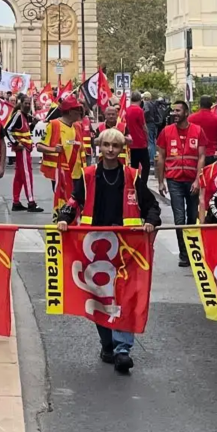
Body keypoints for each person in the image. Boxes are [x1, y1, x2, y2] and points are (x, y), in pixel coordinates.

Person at [55, 128, 159, 374]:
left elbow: (151, 206)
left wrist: (151, 221)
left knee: (125, 296)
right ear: (99, 147)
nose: (111, 150)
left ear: (122, 149)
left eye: (116, 146)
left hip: (127, 250)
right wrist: (64, 218)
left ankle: (123, 350)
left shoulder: (133, 176)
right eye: (106, 145)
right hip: (95, 249)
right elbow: (74, 202)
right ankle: (108, 344)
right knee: (100, 298)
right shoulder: (89, 175)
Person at [156, 100, 206, 268]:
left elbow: (201, 157)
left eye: (178, 110)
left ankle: (192, 251)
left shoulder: (198, 131)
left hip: (192, 181)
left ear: (186, 113)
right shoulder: (166, 131)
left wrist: (198, 180)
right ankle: (184, 254)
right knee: (179, 218)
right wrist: (161, 182)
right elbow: (161, 157)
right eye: (173, 110)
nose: (174, 113)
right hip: (174, 180)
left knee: (191, 217)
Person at [38, 96, 87, 213]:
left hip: (77, 173)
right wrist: (53, 149)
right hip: (60, 173)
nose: (80, 113)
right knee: (62, 203)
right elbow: (39, 146)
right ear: (70, 112)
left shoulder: (77, 126)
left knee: (76, 203)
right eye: (77, 110)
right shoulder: (54, 125)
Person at [5, 94, 43, 212]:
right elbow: (7, 129)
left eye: (28, 103)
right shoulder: (18, 115)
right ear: (21, 103)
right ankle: (31, 202)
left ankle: (16, 202)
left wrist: (34, 124)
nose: (27, 105)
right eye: (25, 103)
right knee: (27, 176)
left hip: (25, 150)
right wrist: (16, 143)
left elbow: (26, 131)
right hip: (23, 150)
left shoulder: (24, 116)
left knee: (19, 177)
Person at [188, 96, 217, 164]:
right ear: (211, 105)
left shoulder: (191, 119)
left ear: (200, 105)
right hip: (212, 154)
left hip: (195, 154)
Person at [125, 91, 150, 186]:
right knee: (146, 165)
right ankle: (143, 184)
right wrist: (147, 136)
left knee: (134, 166)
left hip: (131, 142)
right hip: (141, 142)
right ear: (140, 100)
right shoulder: (139, 110)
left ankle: (134, 183)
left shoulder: (127, 110)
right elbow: (143, 126)